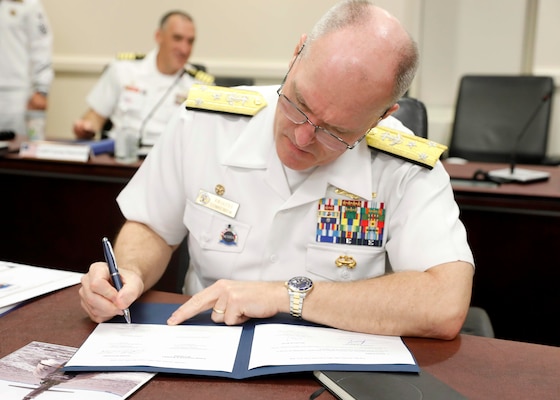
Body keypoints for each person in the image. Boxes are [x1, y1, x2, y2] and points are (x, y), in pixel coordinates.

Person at [79, 0, 474, 340]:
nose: (302, 137)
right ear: (296, 54)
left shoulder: (404, 166)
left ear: (380, 117)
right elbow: (151, 227)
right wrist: (128, 272)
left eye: (335, 132)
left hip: (336, 366)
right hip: (206, 346)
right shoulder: (204, 124)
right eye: (298, 104)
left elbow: (444, 303)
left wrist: (287, 295)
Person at [72, 10, 213, 148]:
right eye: (177, 38)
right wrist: (86, 128)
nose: (184, 49)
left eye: (190, 41)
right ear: (159, 36)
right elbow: (94, 117)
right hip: (121, 157)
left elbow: (205, 138)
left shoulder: (199, 85)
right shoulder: (123, 69)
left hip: (168, 162)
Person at [0, 0, 53, 136]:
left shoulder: (29, 5)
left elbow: (42, 45)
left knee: (14, 149)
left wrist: (42, 89)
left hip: (14, 95)